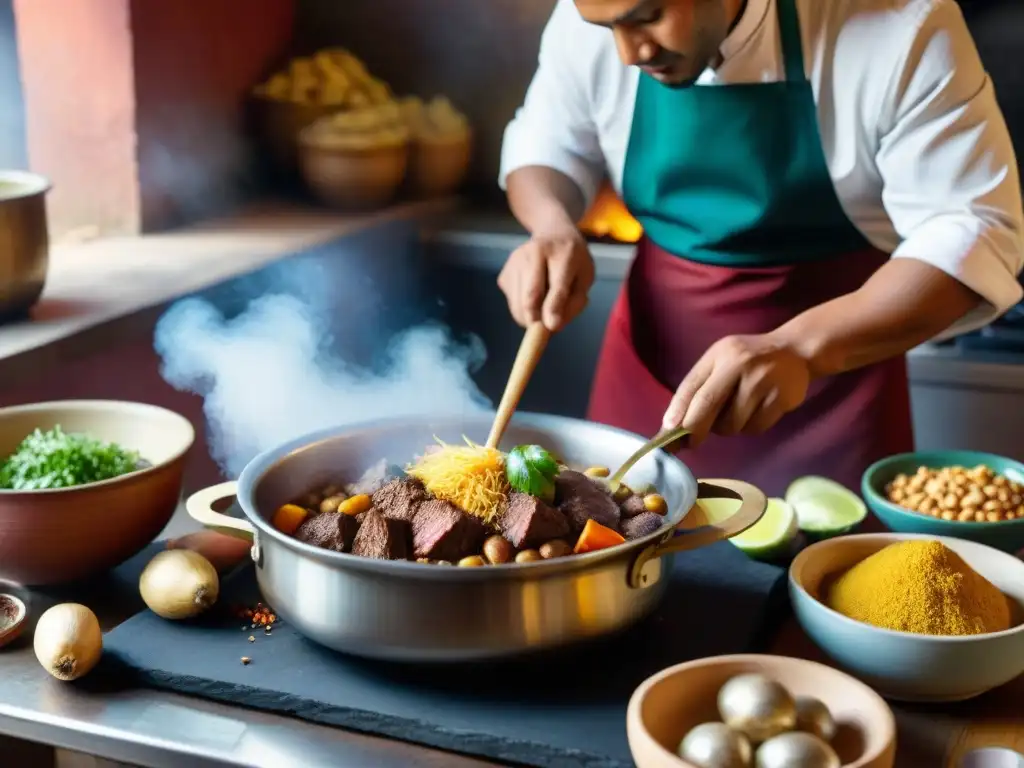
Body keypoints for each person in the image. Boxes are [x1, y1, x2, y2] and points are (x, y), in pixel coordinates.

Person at [497, 0, 1024, 495]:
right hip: (646, 383)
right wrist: (551, 225)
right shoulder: (596, 15)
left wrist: (800, 347)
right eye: (606, 27)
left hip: (831, 388)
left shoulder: (901, 28)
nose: (629, 52)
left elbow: (974, 227)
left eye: (650, 16)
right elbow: (547, 144)